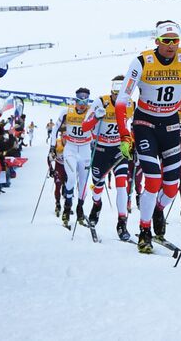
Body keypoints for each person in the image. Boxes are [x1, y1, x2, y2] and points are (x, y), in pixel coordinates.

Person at [115, 20, 181, 254]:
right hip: (145, 124)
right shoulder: (142, 61)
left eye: (175, 41)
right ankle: (144, 230)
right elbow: (122, 100)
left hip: (170, 125)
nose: (171, 46)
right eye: (166, 41)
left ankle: (158, 210)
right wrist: (123, 134)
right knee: (152, 179)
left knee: (171, 186)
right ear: (157, 41)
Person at [88, 75, 132, 240]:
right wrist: (96, 118)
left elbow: (132, 126)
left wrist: (131, 141)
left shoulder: (129, 104)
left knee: (122, 185)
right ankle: (97, 204)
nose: (117, 94)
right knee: (97, 186)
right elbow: (85, 126)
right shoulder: (101, 102)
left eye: (121, 89)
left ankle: (122, 222)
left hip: (118, 149)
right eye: (115, 89)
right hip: (100, 150)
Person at [57, 87, 97, 228]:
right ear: (75, 100)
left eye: (85, 101)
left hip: (85, 150)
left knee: (83, 185)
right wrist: (51, 147)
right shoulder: (67, 111)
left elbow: (98, 128)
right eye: (79, 101)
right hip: (71, 149)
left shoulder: (92, 111)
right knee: (72, 178)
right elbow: (56, 128)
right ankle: (67, 208)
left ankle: (80, 209)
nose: (82, 105)